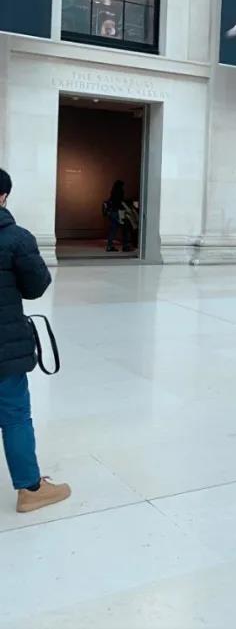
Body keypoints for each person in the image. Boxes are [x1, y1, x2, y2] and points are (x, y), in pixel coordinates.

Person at [0, 168, 72, 513]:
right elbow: (36, 286)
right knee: (14, 415)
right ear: (3, 196)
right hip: (5, 347)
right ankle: (30, 489)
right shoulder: (16, 238)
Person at [103, 180, 131, 253]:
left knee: (113, 230)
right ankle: (126, 246)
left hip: (112, 212)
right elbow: (120, 202)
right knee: (125, 229)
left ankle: (109, 246)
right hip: (118, 212)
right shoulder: (120, 191)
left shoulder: (113, 192)